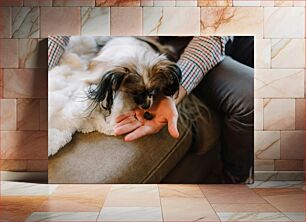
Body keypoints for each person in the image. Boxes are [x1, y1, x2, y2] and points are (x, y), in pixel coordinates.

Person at [114, 37, 254, 183]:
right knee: (251, 94)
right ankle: (235, 180)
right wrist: (172, 94)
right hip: (175, 45)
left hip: (227, 37)